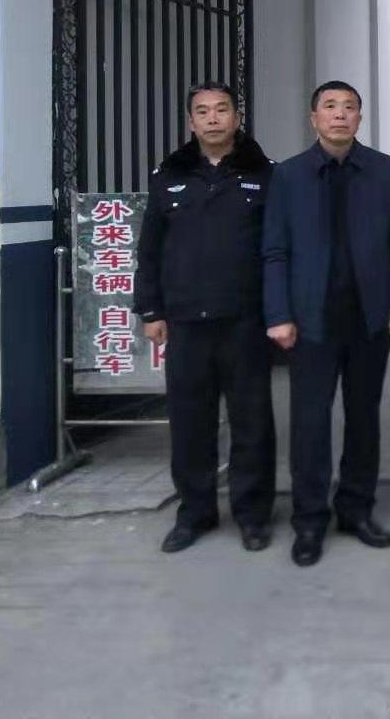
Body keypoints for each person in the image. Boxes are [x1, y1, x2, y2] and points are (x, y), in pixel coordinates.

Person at [262, 81, 390, 567]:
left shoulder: (385, 171)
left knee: (364, 419)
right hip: (309, 323)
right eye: (329, 107)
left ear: (359, 118)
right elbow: (274, 250)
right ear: (313, 118)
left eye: (349, 107)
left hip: (368, 319)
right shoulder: (289, 176)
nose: (339, 115)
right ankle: (309, 520)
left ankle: (356, 509)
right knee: (309, 424)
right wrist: (278, 314)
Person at [134, 82, 277, 554]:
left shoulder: (265, 174)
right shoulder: (169, 176)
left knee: (252, 423)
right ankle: (194, 513)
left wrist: (279, 311)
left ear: (237, 117)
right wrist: (151, 309)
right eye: (203, 111)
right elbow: (150, 249)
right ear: (191, 122)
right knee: (190, 424)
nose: (213, 118)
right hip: (186, 321)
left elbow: (278, 249)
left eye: (221, 110)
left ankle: (253, 515)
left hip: (245, 320)